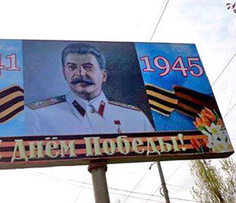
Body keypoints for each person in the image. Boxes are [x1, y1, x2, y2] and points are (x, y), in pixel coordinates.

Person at [25, 43, 155, 135]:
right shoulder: (38, 115)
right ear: (63, 72)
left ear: (103, 75)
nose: (80, 73)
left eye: (88, 67)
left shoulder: (135, 117)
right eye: (72, 67)